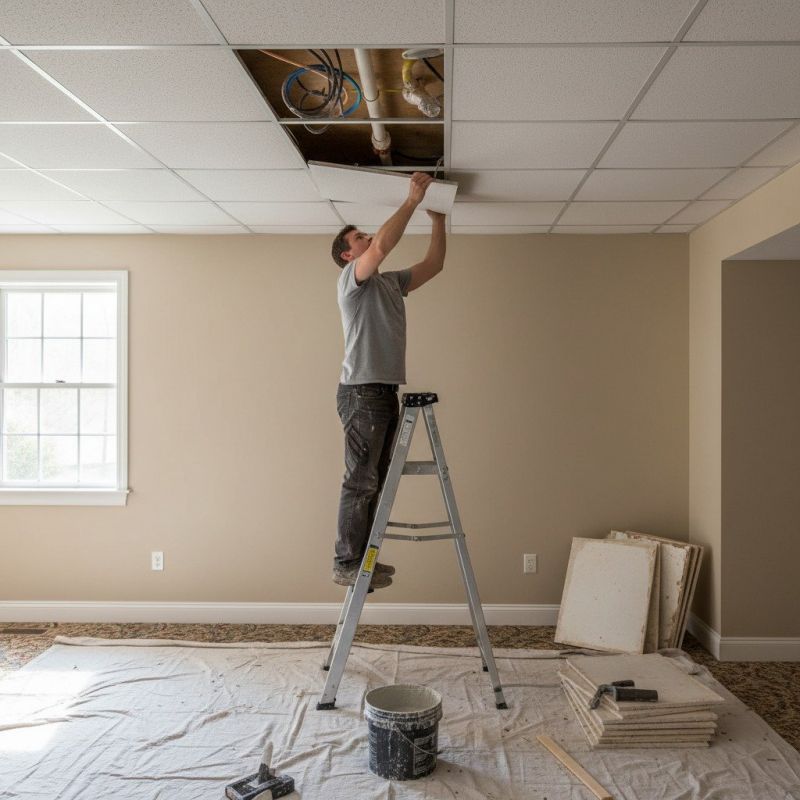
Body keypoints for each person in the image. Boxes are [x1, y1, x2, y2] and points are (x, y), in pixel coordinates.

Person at [330, 172, 447, 589]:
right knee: (360, 480)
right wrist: (412, 200)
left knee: (373, 482)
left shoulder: (390, 284)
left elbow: (433, 265)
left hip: (381, 391)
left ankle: (362, 561)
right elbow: (382, 246)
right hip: (362, 392)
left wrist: (438, 219)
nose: (366, 238)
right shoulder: (353, 283)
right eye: (358, 237)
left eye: (364, 234)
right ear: (348, 256)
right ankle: (346, 562)